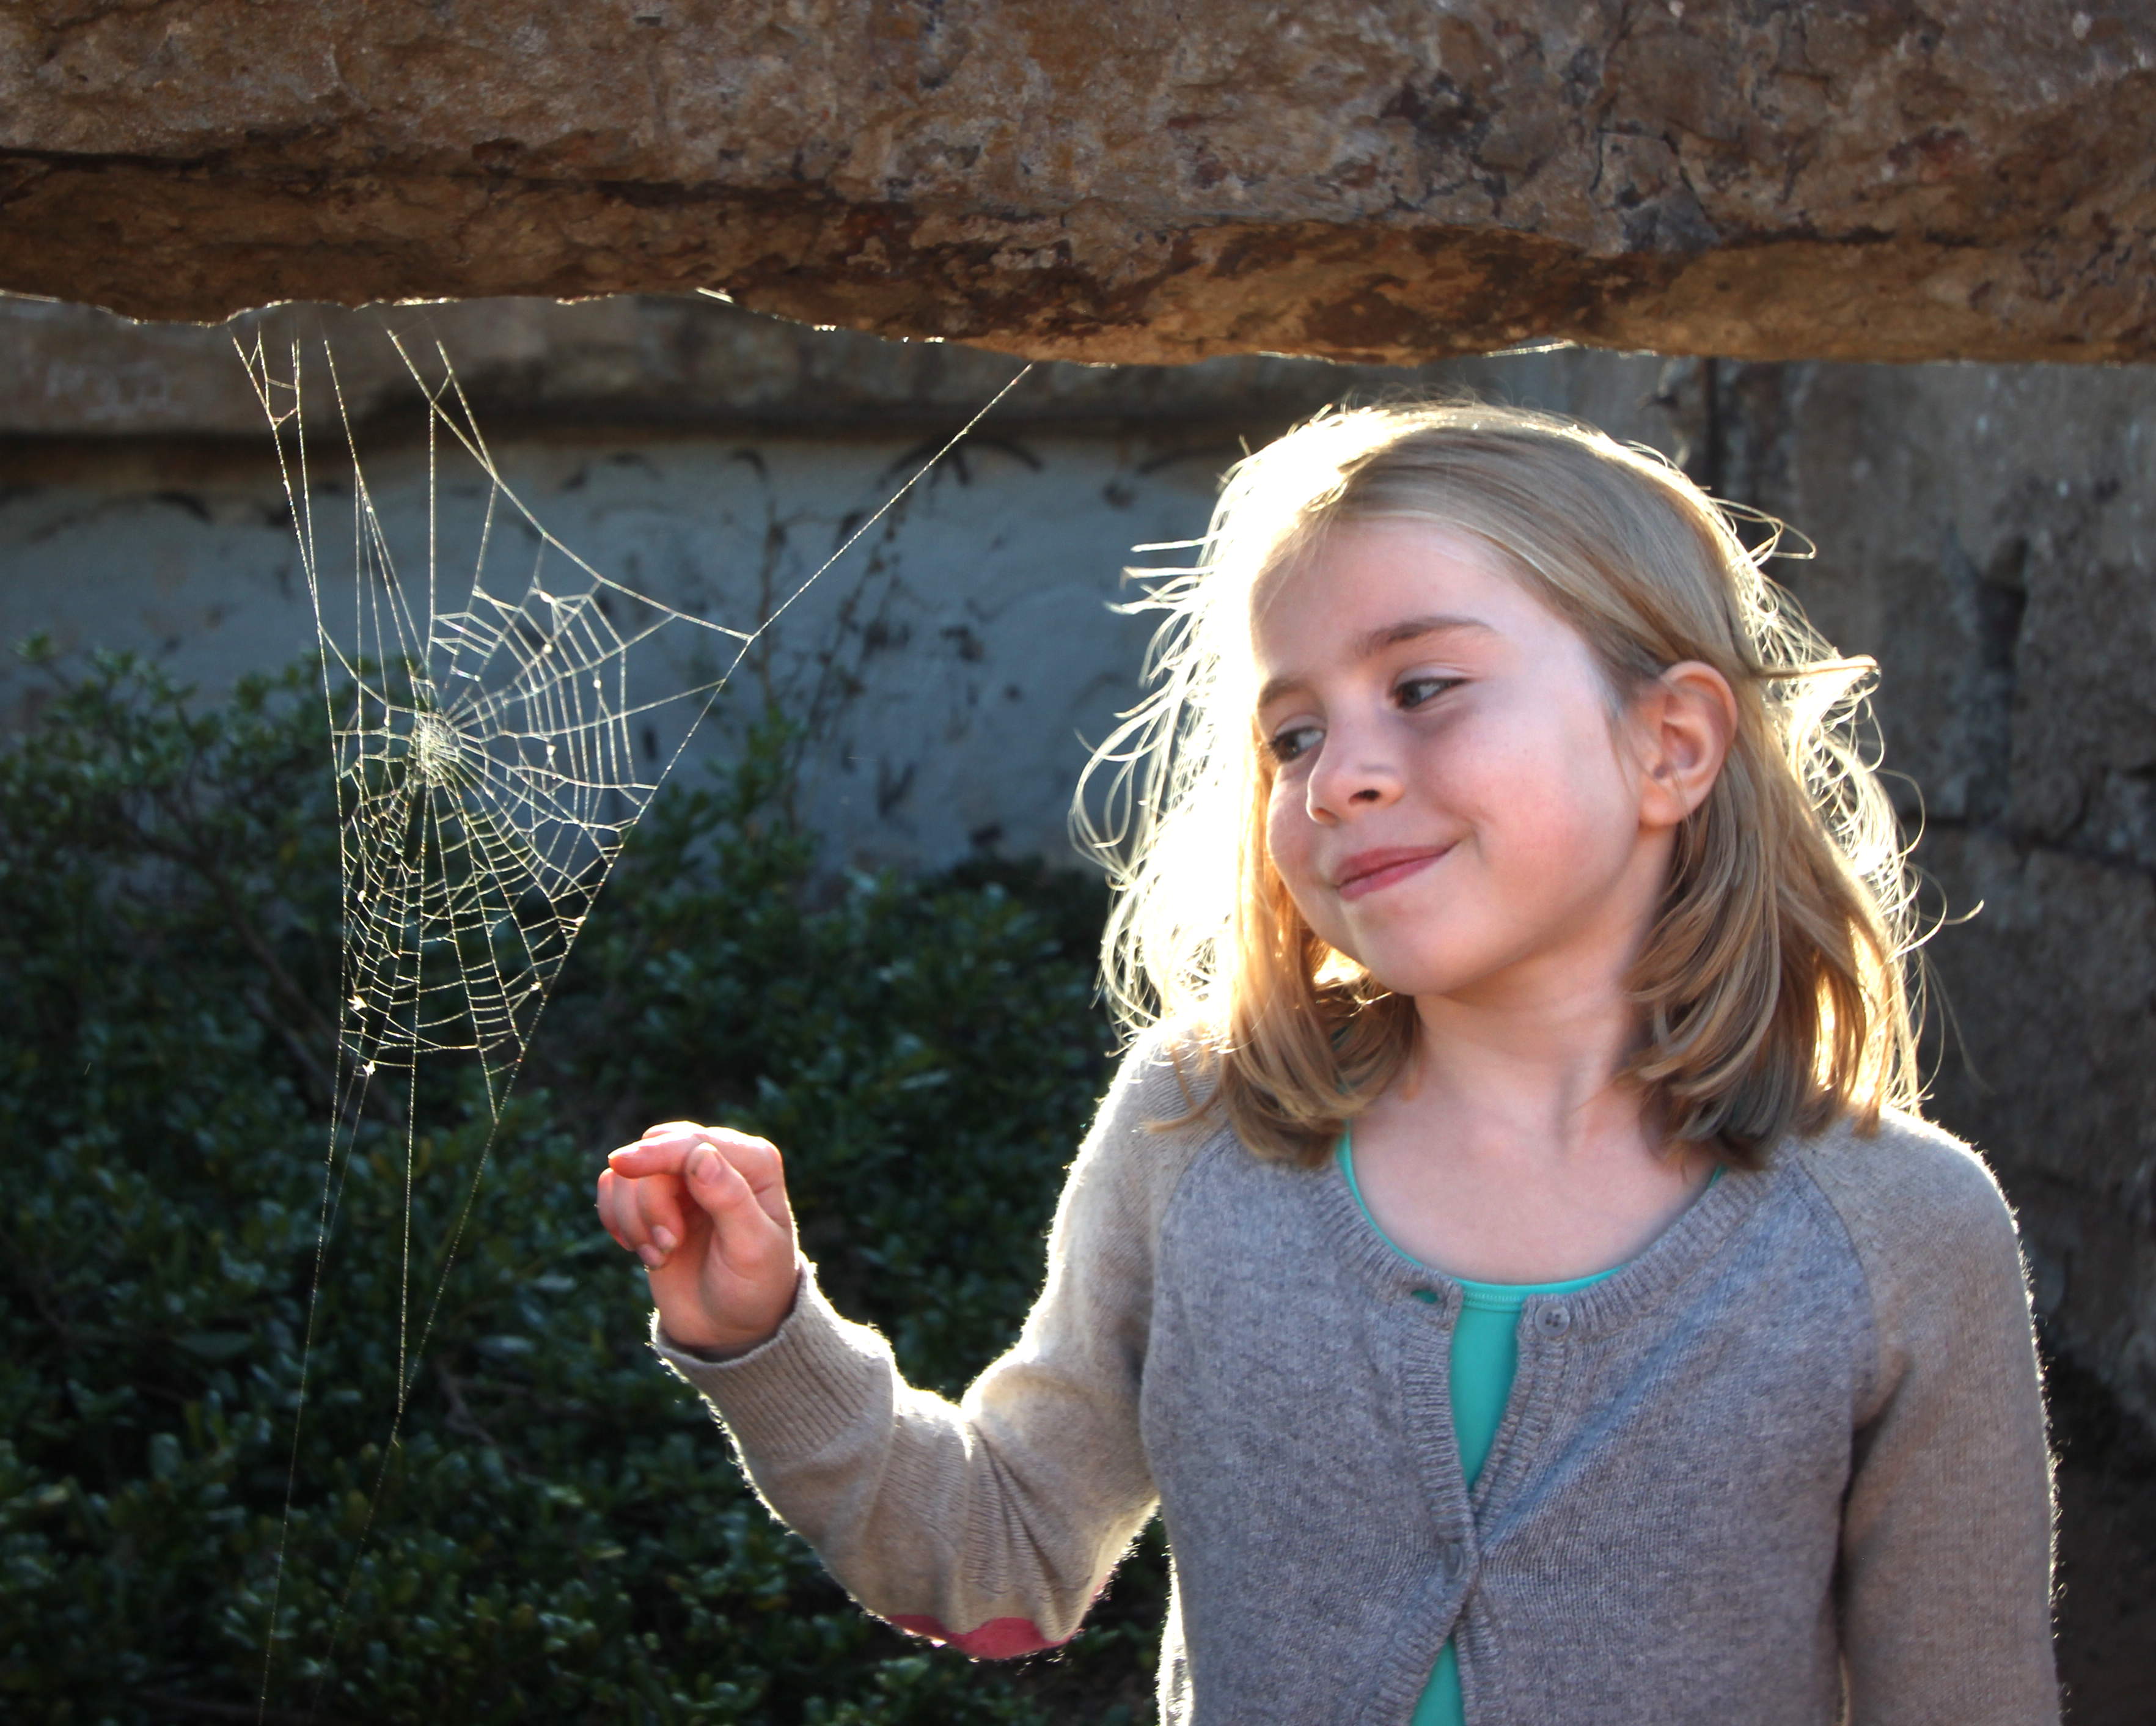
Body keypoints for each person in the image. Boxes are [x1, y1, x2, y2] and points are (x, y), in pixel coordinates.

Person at [595, 402, 2057, 1725]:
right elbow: (1003, 1555)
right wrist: (768, 1336)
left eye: (1424, 684)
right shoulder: (1199, 1130)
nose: (1339, 772)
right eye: (1292, 732)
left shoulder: (1902, 1230)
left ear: (1670, 744)